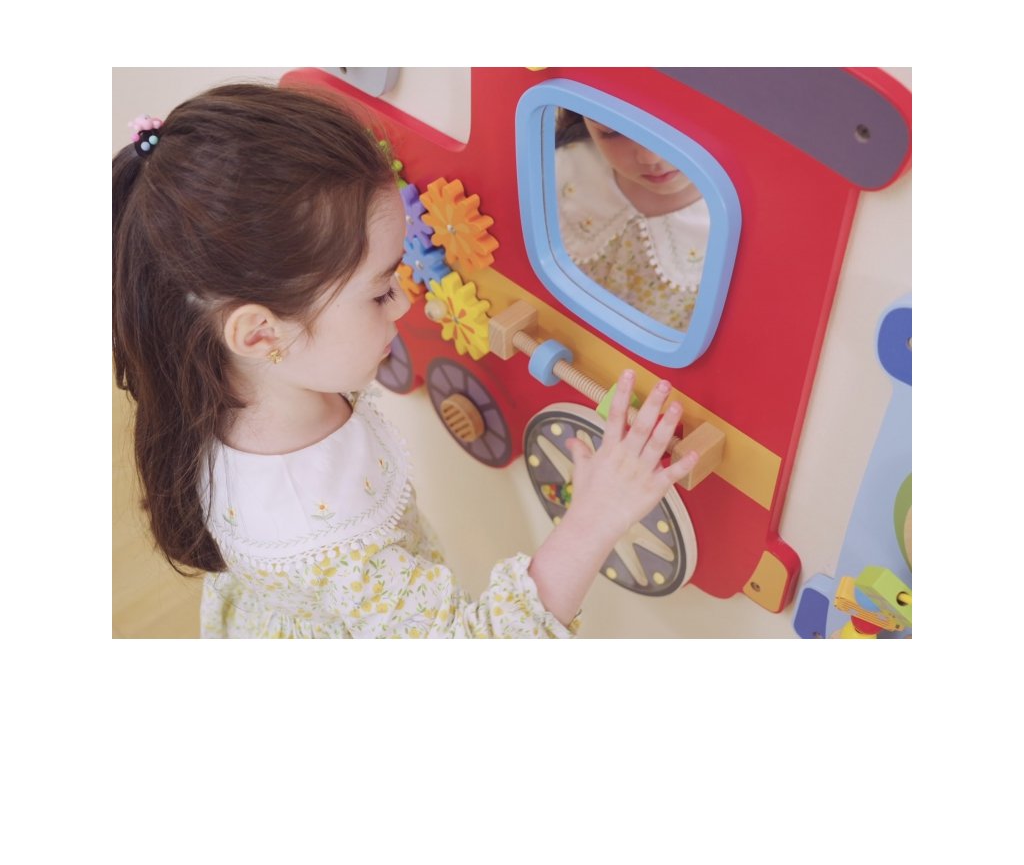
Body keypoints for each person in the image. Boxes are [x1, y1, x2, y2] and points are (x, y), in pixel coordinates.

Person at [113, 84, 699, 639]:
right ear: (261, 332)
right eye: (379, 292)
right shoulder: (320, 533)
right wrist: (594, 518)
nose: (403, 300)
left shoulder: (243, 375)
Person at [555, 110, 710, 332]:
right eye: (613, 132)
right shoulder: (562, 169)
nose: (651, 157)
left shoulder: (742, 231)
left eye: (676, 128)